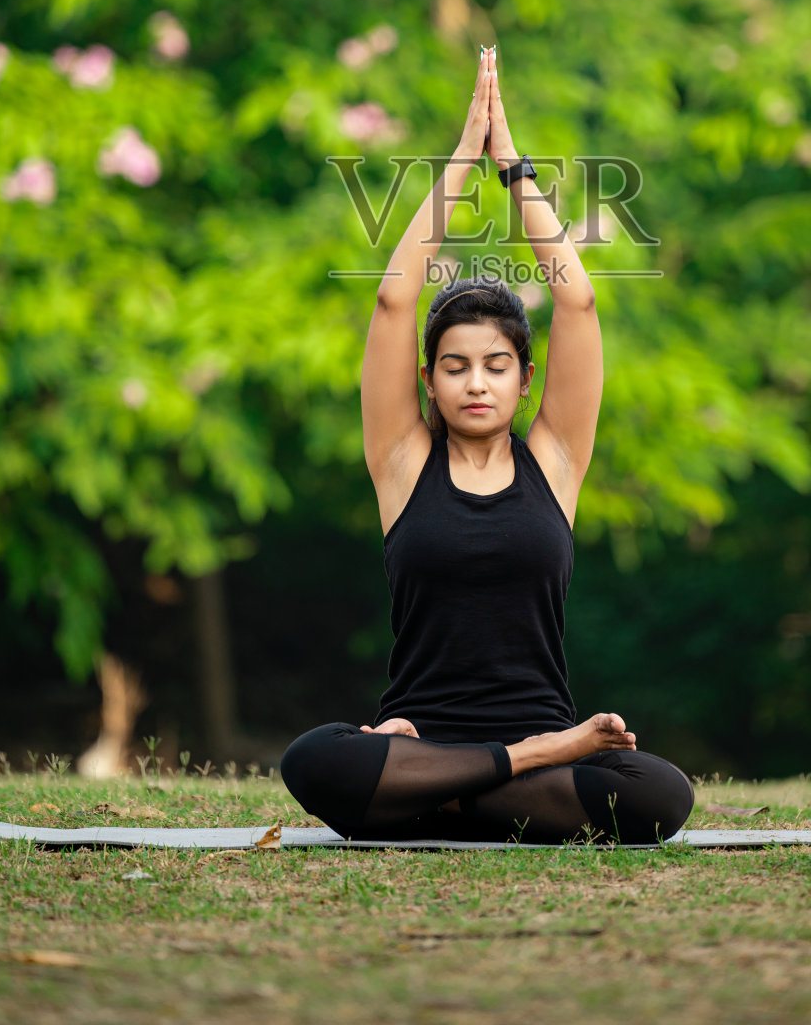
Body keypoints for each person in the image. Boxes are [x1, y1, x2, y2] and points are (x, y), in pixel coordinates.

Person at [279, 47, 695, 845]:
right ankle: (487, 774)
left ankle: (428, 798)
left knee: (658, 794)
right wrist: (459, 162)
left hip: (510, 751)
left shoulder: (555, 463)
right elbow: (395, 298)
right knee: (313, 760)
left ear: (524, 379)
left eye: (495, 366)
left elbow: (576, 301)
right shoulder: (402, 464)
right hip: (430, 738)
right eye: (455, 366)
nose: (475, 383)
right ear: (427, 381)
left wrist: (512, 169)